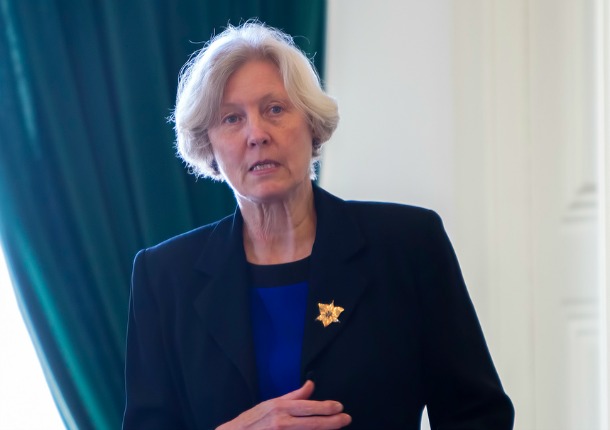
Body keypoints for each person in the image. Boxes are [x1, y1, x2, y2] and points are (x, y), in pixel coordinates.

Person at [123, 22, 514, 430]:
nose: (257, 134)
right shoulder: (164, 277)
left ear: (312, 125)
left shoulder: (408, 245)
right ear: (209, 147)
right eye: (232, 119)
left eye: (275, 109)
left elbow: (479, 416)